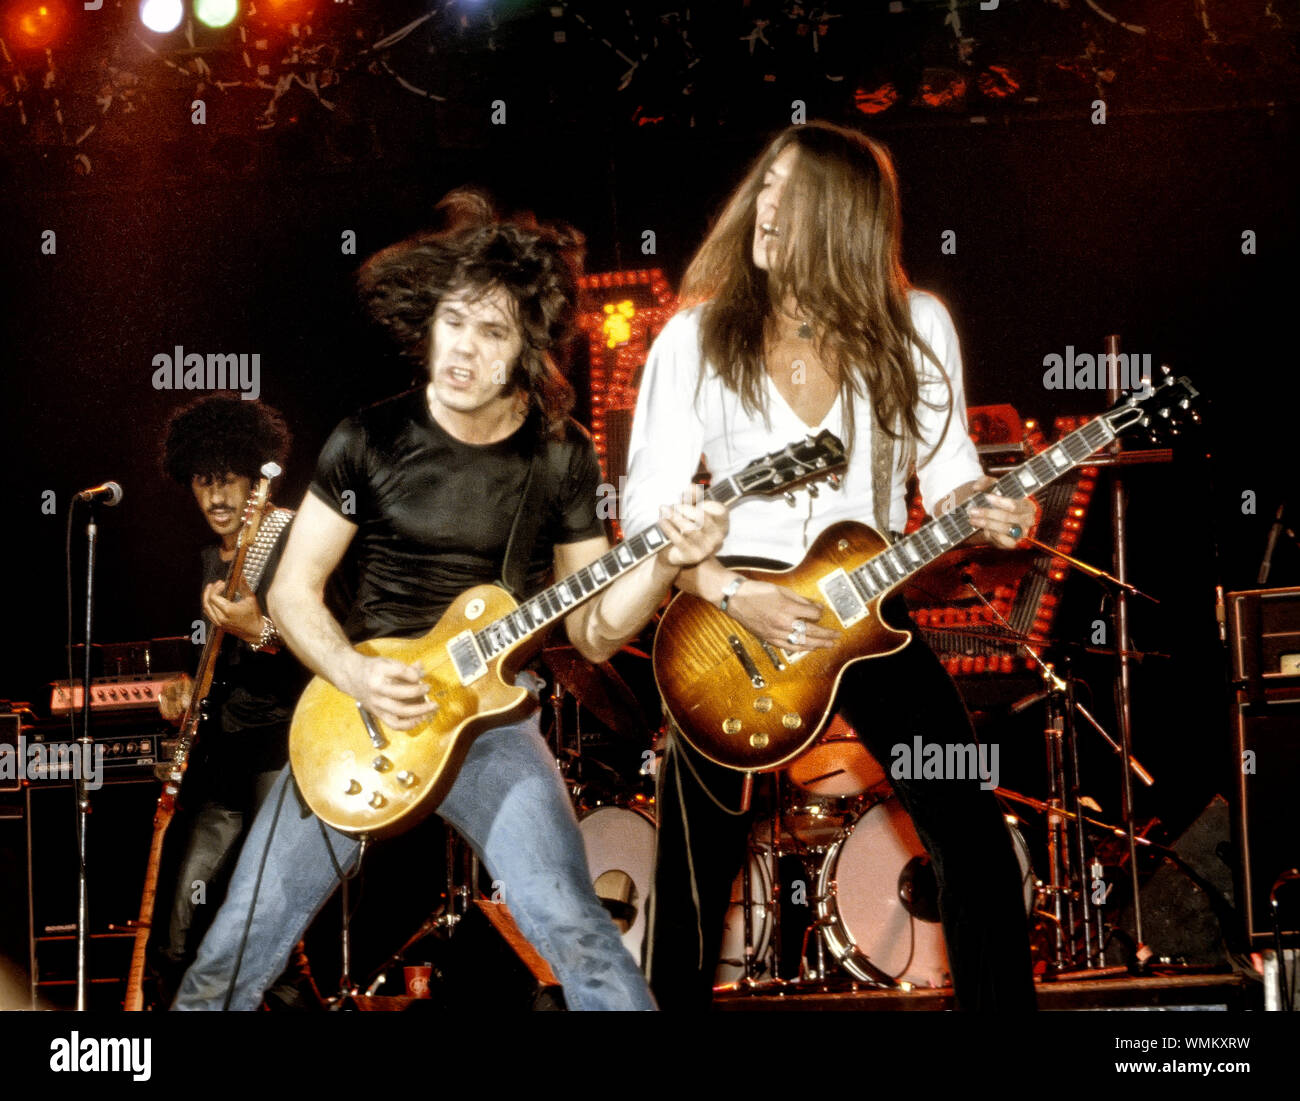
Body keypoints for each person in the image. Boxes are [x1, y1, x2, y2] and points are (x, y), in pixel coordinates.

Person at [173, 193, 727, 1011]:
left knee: (576, 928)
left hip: (493, 725)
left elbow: (597, 633)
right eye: (453, 322)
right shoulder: (368, 437)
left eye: (492, 331)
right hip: (356, 719)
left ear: (526, 350)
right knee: (232, 948)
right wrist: (357, 674)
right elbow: (292, 591)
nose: (464, 349)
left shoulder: (560, 455)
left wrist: (664, 565)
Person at [623, 121, 1039, 1010]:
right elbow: (644, 515)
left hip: (868, 617)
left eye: (790, 192)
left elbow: (953, 472)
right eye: (763, 185)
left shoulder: (917, 325)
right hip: (729, 619)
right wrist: (731, 588)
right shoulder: (694, 338)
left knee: (968, 831)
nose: (765, 206)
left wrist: (1000, 513)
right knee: (697, 872)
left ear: (845, 216)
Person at [155, 393, 321, 1010]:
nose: (216, 499)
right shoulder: (209, 559)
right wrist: (185, 692)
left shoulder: (295, 538)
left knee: (270, 937)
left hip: (286, 753)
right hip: (225, 758)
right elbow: (216, 666)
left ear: (258, 484)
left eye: (229, 482)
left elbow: (342, 649)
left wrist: (264, 634)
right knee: (177, 931)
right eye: (203, 483)